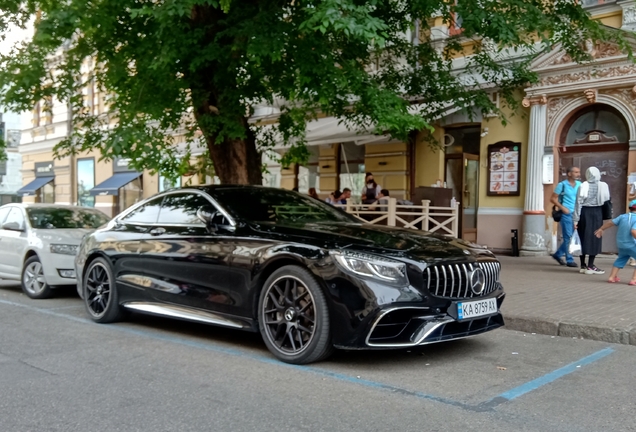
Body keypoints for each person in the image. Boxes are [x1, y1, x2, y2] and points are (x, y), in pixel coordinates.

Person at [573, 166, 610, 275]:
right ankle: (591, 265)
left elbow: (578, 203)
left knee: (582, 237)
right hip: (597, 212)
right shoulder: (603, 186)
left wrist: (575, 220)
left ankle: (583, 265)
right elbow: (607, 200)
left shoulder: (583, 185)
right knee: (595, 237)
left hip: (584, 212)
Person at [594, 199, 636, 284]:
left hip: (621, 244)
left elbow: (610, 223)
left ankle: (612, 277)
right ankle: (634, 279)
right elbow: (633, 231)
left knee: (621, 259)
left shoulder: (623, 216)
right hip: (632, 244)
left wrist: (601, 228)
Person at [550, 166, 581, 268]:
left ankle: (558, 254)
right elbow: (553, 199)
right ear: (569, 173)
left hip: (578, 214)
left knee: (573, 236)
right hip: (566, 214)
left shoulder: (580, 185)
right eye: (576, 172)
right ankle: (569, 259)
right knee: (568, 236)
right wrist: (562, 208)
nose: (578, 174)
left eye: (578, 172)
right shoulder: (562, 185)